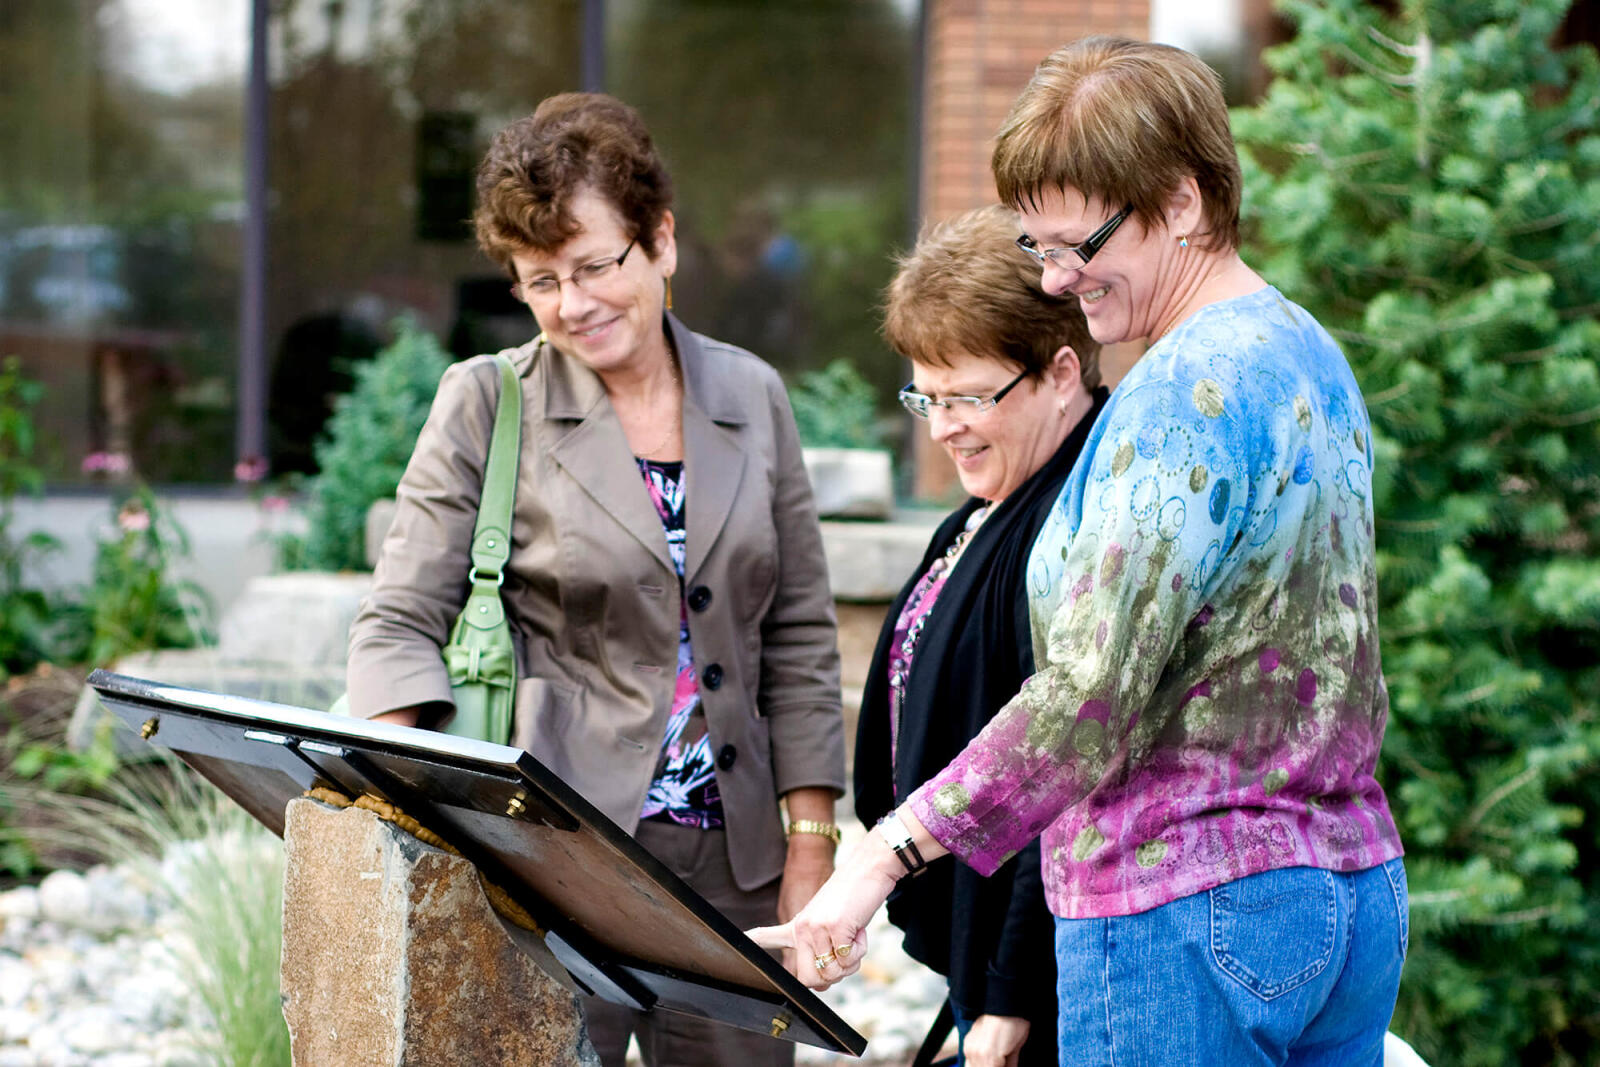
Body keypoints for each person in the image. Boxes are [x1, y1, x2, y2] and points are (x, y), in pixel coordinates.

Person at [753, 37, 1408, 1067]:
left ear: (1183, 202)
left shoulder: (1176, 401)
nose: (1056, 278)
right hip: (1348, 889)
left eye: (1075, 243)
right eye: (1035, 247)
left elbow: (1083, 701)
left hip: (1185, 911)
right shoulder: (1306, 350)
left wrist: (878, 856)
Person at [346, 92, 846, 1067]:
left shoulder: (752, 394)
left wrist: (812, 840)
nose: (572, 303)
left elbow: (798, 629)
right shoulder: (487, 401)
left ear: (659, 241)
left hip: (734, 864)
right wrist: (405, 817)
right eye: (540, 280)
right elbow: (399, 620)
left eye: (592, 265)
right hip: (548, 852)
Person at [853, 204, 1105, 1067]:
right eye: (927, 394)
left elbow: (1067, 759)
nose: (942, 425)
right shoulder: (996, 496)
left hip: (1037, 984)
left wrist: (1010, 990)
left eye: (967, 396)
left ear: (1061, 371)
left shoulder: (1076, 519)